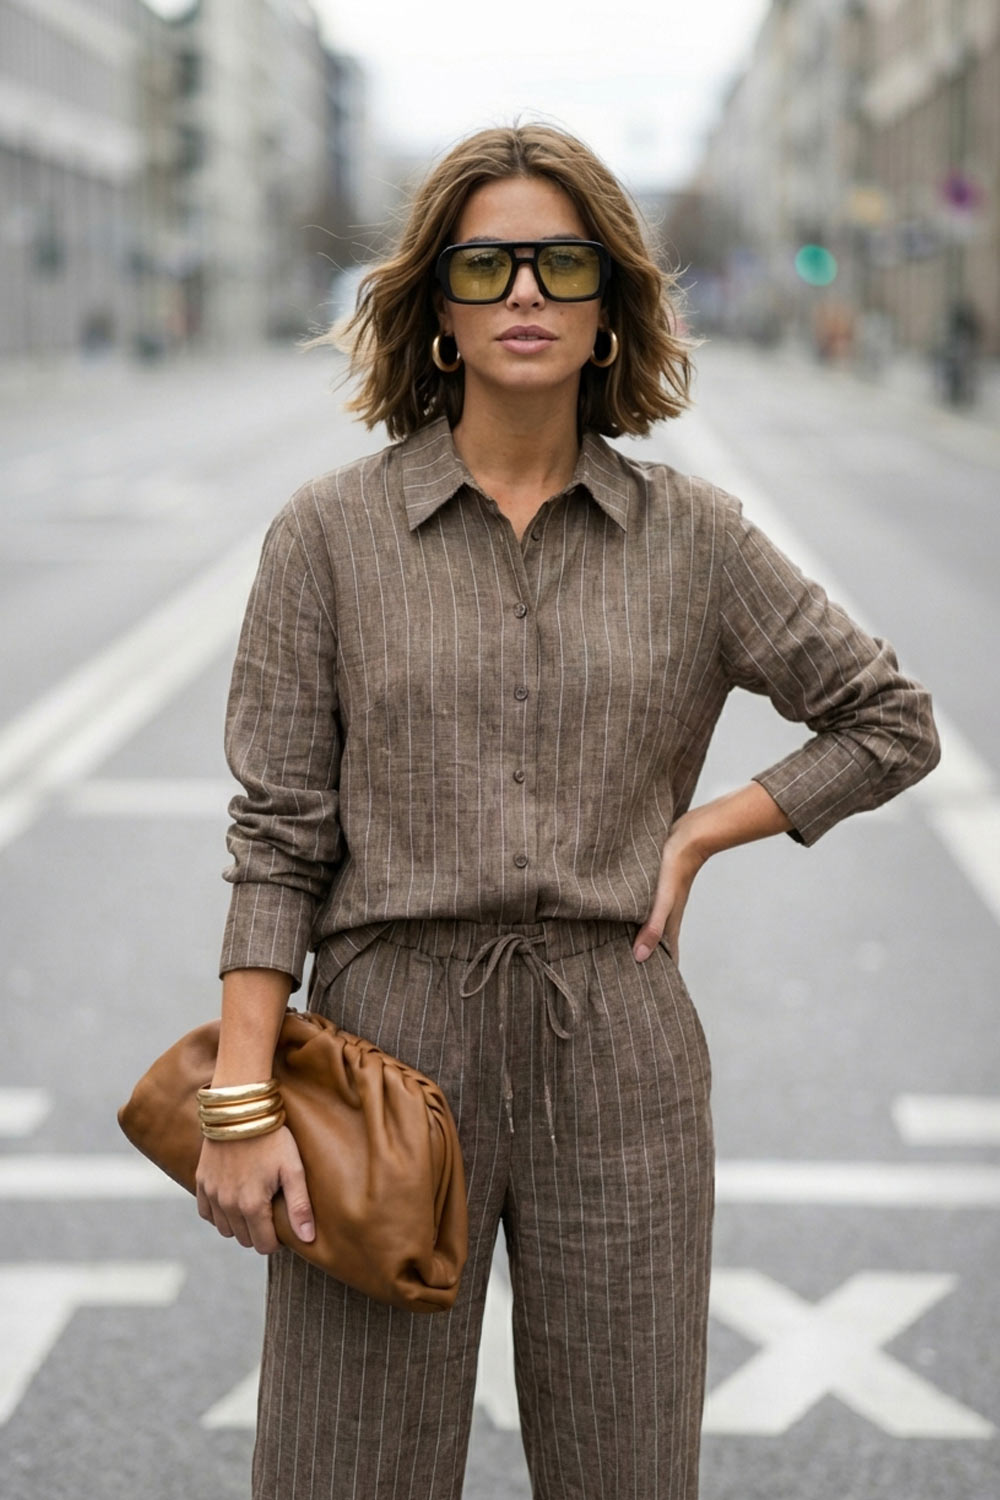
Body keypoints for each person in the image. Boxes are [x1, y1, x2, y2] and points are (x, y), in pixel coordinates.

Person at [195, 124, 940, 1500]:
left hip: (618, 1049)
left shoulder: (695, 537)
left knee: (625, 1475)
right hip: (383, 1051)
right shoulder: (328, 536)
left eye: (562, 263)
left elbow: (888, 721)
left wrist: (706, 829)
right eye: (487, 266)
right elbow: (279, 832)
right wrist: (243, 1099)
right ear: (438, 309)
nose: (526, 291)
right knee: (341, 1473)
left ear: (610, 310)